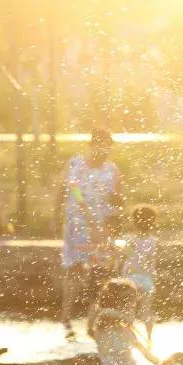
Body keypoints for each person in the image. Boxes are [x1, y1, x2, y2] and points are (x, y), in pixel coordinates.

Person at [55, 126, 122, 339]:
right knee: (73, 270)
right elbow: (65, 189)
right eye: (101, 147)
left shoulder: (112, 170)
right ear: (92, 145)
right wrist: (54, 215)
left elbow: (118, 200)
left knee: (99, 272)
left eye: (107, 149)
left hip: (100, 229)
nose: (104, 153)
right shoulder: (75, 164)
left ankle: (91, 323)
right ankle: (66, 318)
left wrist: (114, 221)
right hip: (76, 226)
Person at [118, 204, 159, 336]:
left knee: (128, 311)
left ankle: (128, 338)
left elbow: (123, 258)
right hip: (147, 280)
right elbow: (152, 262)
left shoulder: (128, 240)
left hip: (130, 280)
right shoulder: (154, 241)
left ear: (133, 222)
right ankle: (149, 339)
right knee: (146, 312)